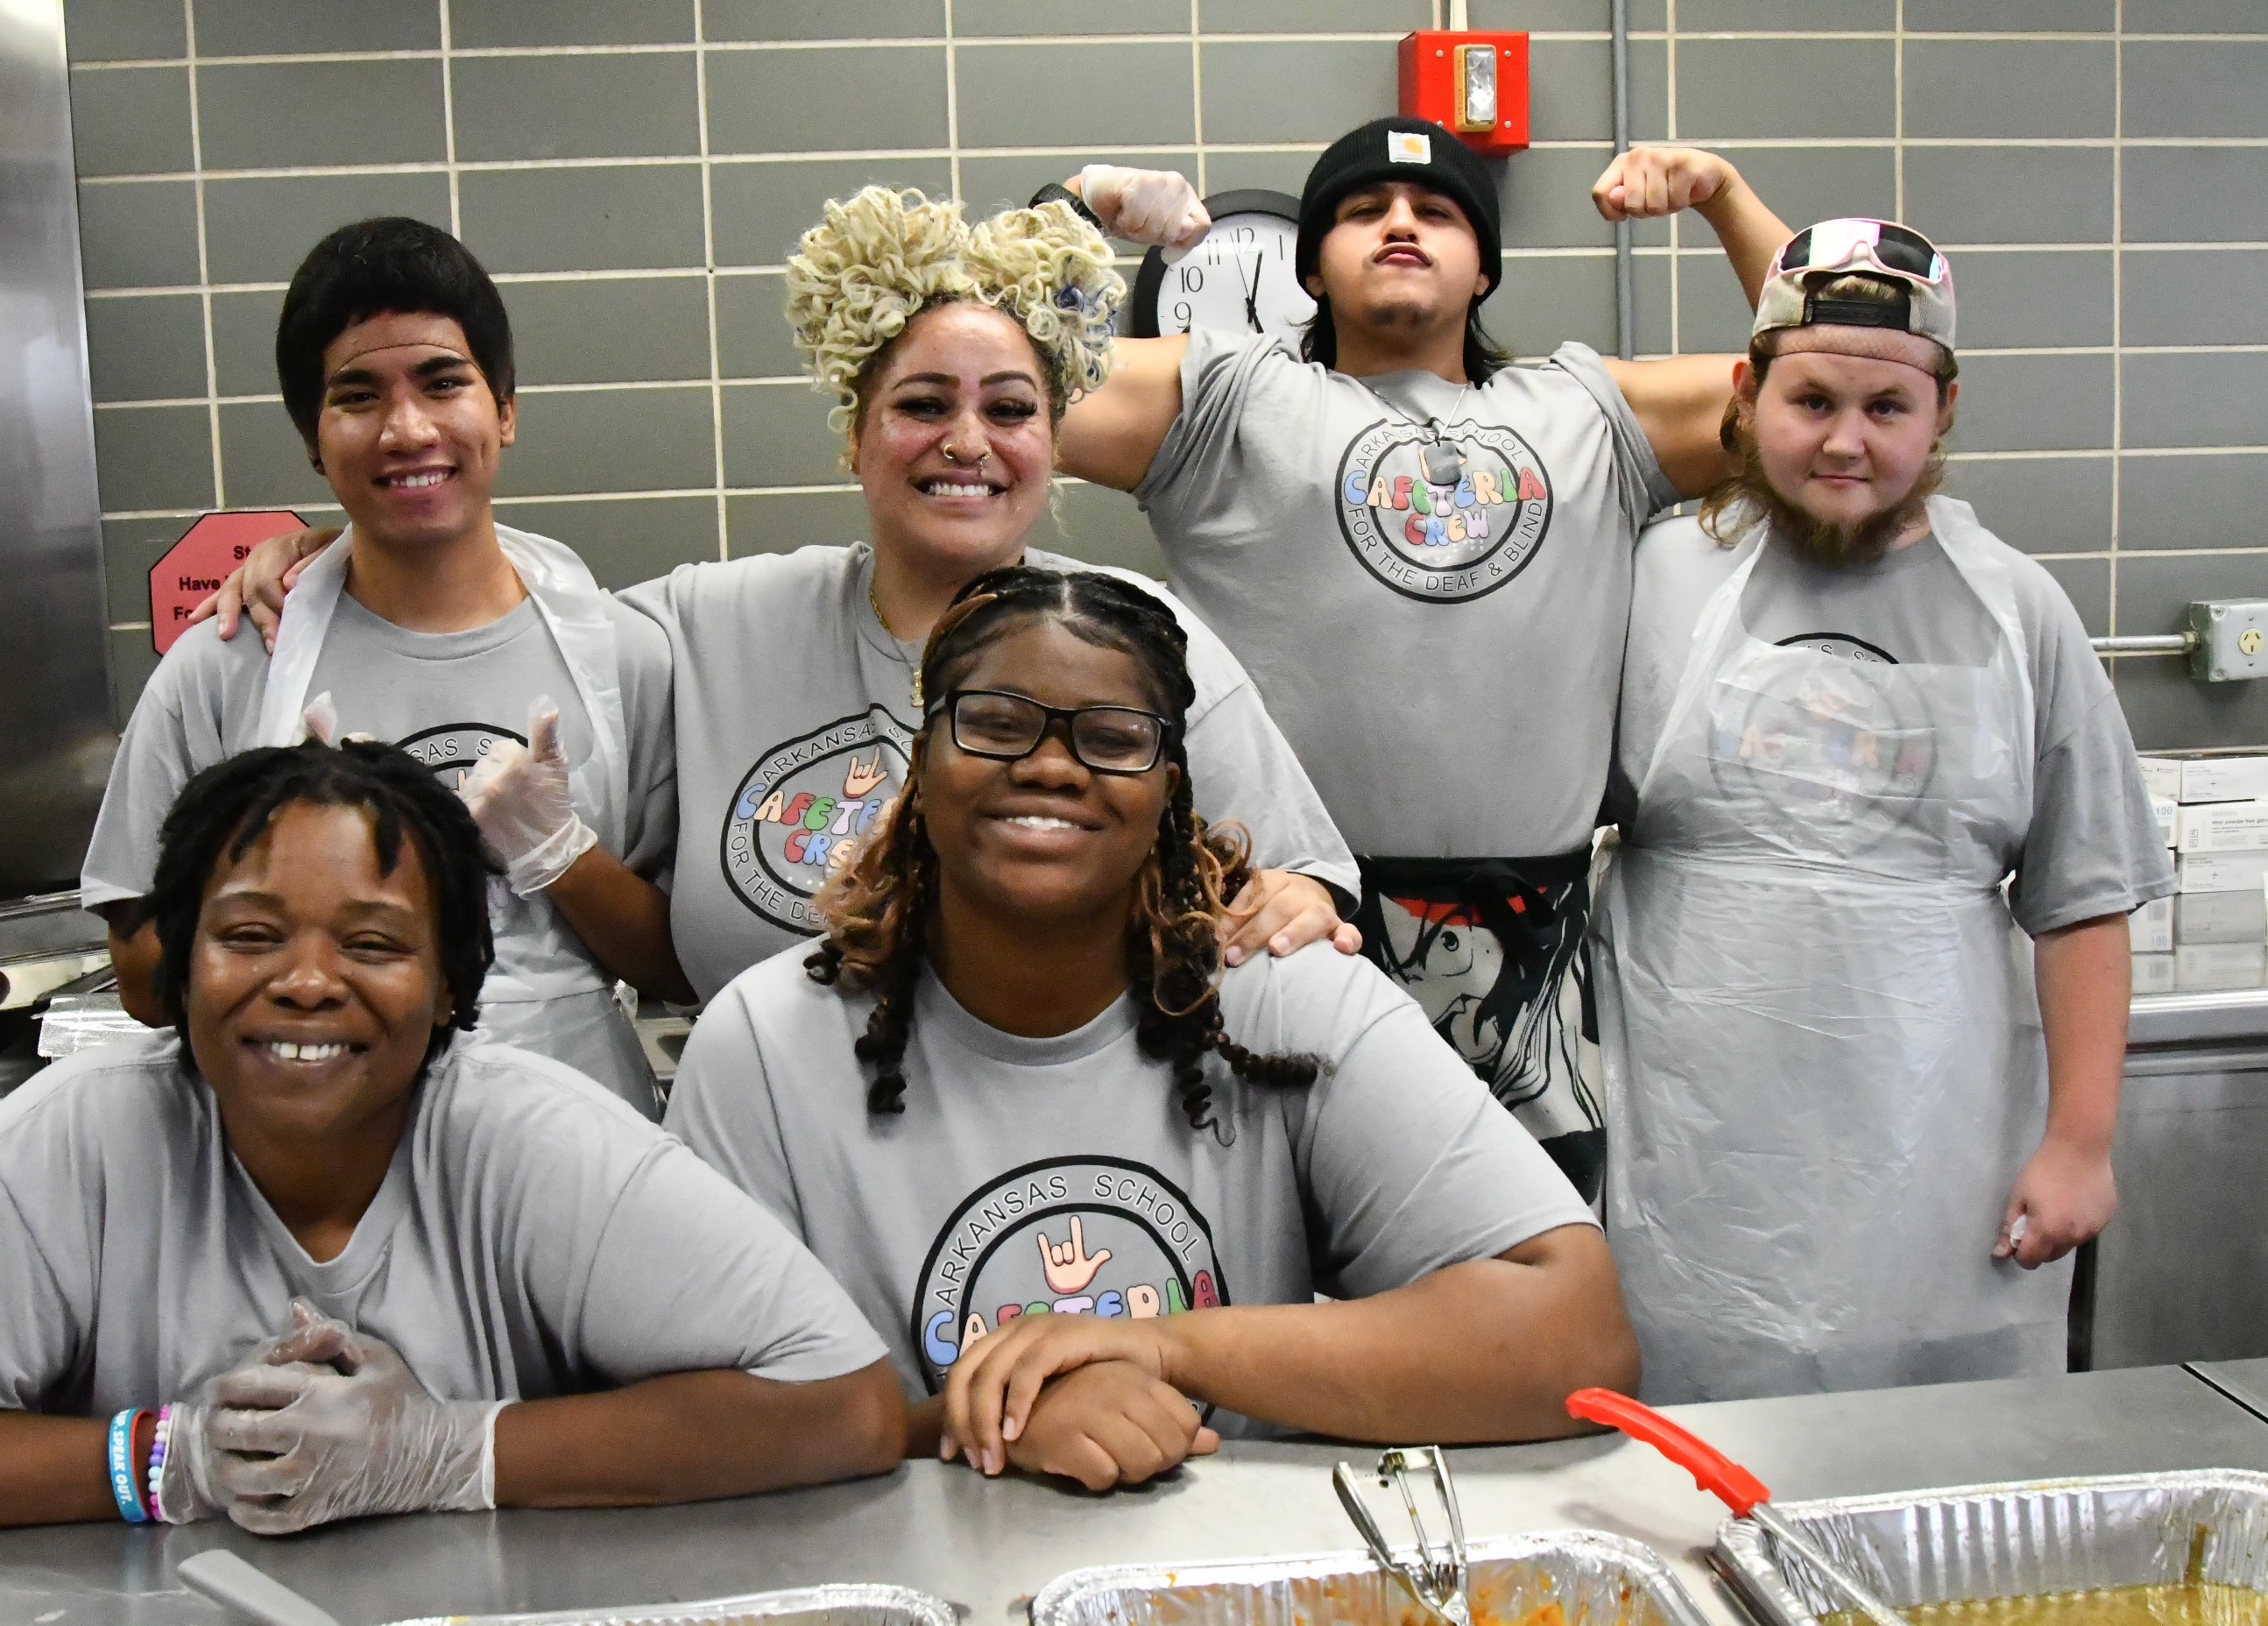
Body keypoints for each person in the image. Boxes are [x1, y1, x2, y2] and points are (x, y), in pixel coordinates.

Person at [206, 189, 1360, 1005]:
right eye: (921, 406)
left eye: (1010, 409)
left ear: (1052, 443)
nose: (968, 441)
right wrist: (348, 542)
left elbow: (1300, 878)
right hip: (766, 1207)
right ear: (855, 438)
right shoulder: (716, 628)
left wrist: (1297, 909)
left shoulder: (1141, 644)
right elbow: (499, 609)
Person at [668, 566, 1636, 1492]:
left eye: (1113, 735)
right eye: (995, 724)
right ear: (921, 762)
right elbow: (700, 1430)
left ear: (1171, 782)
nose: (1050, 765)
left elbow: (1577, 1341)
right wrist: (992, 1416)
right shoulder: (761, 1044)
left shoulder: (1281, 998)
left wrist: (1156, 1342)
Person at [0, 739, 901, 1532]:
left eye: (374, 943)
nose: (303, 983)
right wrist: (171, 1458)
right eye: (248, 935)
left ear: (449, 987)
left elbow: (842, 1404)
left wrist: (447, 1450)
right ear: (178, 967)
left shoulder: (530, 1135)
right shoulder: (82, 1139)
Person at [1010, 125, 1794, 1198]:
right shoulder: (1224, 403)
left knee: (1529, 1289)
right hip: (1279, 927)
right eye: (1361, 208)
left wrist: (1726, 194)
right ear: (1312, 264)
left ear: (1485, 267)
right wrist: (1074, 207)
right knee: (1280, 1263)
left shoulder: (1593, 412)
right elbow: (982, 372)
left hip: (1533, 962)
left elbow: (1838, 378)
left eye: (1436, 211)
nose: (1399, 225)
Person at [1589, 220, 2173, 1403]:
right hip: (1689, 1172)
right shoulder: (1647, 580)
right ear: (1747, 394)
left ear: (1942, 411)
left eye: (1887, 410)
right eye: (1811, 401)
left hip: (1937, 1161)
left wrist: (2079, 1145)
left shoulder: (2021, 612)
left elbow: (2084, 898)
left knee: (1931, 1491)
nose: (1845, 443)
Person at [84, 217, 683, 1112]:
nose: (408, 429)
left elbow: (677, 962)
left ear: (506, 408)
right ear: (311, 439)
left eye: (444, 382)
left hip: (572, 1150)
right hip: (310, 1161)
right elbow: (138, 977)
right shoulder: (229, 663)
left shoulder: (626, 655)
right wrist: (286, 884)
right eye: (358, 396)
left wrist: (559, 852)